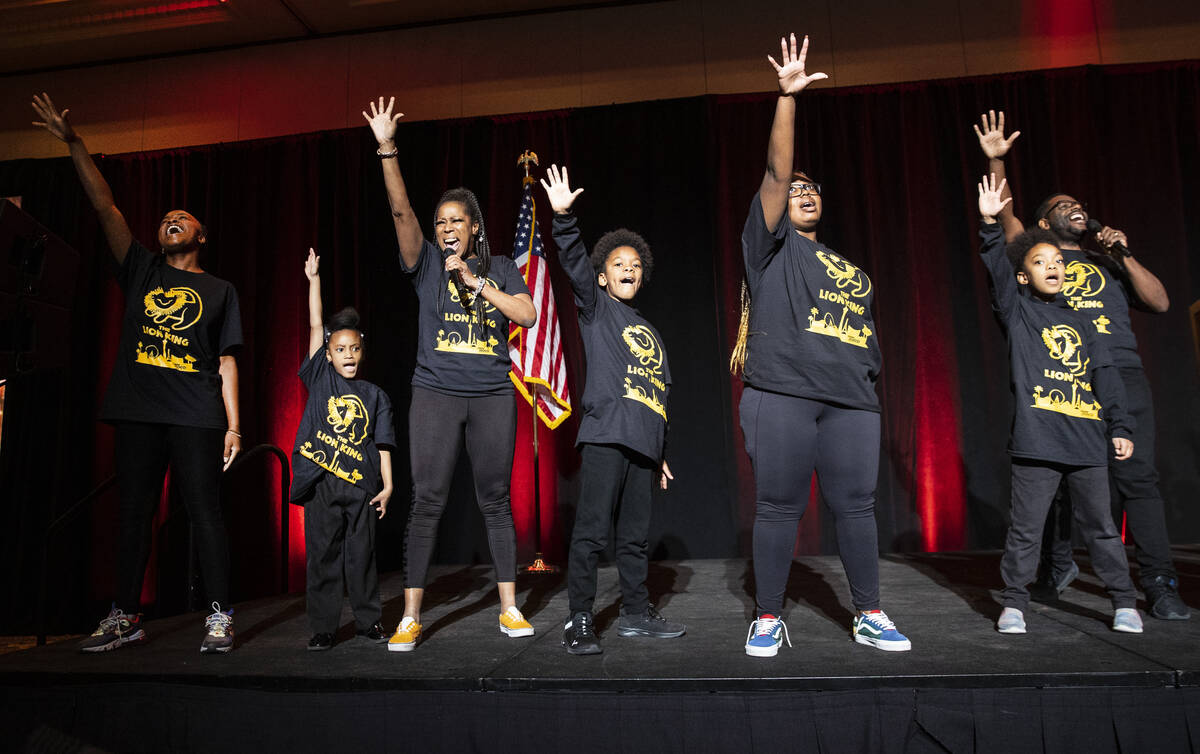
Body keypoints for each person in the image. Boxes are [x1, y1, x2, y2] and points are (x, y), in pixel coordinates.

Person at [32, 93, 242, 654]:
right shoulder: (142, 269)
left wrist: (233, 425)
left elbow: (226, 358)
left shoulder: (220, 291)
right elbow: (106, 208)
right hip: (140, 409)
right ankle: (125, 615)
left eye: (184, 218)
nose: (171, 219)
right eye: (165, 218)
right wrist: (74, 143)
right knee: (134, 515)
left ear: (201, 236)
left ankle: (220, 617)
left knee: (205, 513)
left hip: (196, 411)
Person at [733, 36, 910, 658]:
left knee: (857, 509)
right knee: (780, 507)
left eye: (814, 190)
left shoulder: (850, 268)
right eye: (796, 190)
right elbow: (778, 171)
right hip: (782, 392)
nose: (803, 192)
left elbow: (864, 339)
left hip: (850, 400)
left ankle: (869, 611)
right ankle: (768, 615)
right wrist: (787, 99)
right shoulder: (771, 247)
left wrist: (867, 389)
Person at [974, 111, 1189, 620]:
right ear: (1044, 224)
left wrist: (1124, 253)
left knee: (1137, 481)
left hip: (1120, 375)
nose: (1077, 209)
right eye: (1061, 206)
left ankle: (1158, 583)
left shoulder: (1106, 262)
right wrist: (997, 161)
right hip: (1060, 376)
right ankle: (1055, 566)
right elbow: (1004, 225)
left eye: (1080, 205)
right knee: (1061, 488)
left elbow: (1159, 303)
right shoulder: (1038, 260)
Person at [362, 97, 539, 652]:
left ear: (475, 227)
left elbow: (527, 316)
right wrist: (387, 149)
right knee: (428, 499)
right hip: (436, 393)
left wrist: (478, 282)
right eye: (440, 224)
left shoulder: (502, 268)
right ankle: (412, 615)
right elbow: (402, 213)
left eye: (454, 221)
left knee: (495, 499)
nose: (444, 229)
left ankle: (509, 608)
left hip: (490, 394)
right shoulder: (426, 266)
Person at [975, 173, 1143, 634]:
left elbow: (1105, 377)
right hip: (1037, 443)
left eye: (1058, 262)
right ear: (1024, 274)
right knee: (1027, 531)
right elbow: (996, 267)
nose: (1053, 267)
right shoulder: (1019, 311)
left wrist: (1121, 427)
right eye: (1040, 261)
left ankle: (1123, 602)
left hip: (1087, 442)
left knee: (1104, 529)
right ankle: (1014, 603)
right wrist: (990, 225)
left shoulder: (1085, 325)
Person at [539, 164, 684, 655]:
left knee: (635, 540)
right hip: (604, 437)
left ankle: (636, 615)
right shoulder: (597, 310)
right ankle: (579, 620)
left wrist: (660, 451)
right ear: (603, 278)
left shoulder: (653, 335)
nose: (628, 269)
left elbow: (659, 398)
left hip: (643, 447)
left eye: (635, 266)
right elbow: (575, 263)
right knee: (591, 534)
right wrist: (563, 218)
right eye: (618, 264)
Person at [291, 249, 395, 651]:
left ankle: (369, 622)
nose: (347, 355)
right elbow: (316, 324)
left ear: (362, 352)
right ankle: (324, 628)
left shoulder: (375, 395)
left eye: (354, 349)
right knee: (323, 558)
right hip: (323, 485)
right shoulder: (319, 379)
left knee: (362, 558)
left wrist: (387, 487)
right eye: (340, 349)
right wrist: (314, 280)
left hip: (363, 488)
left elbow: (383, 443)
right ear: (329, 355)